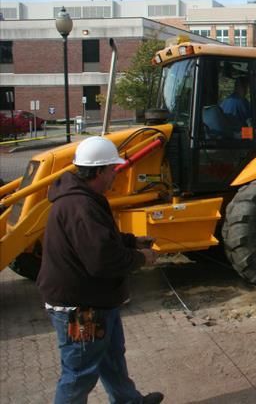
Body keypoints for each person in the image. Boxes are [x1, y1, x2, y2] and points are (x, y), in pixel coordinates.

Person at [37, 136, 163, 404]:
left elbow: (100, 240)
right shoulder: (80, 205)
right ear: (98, 171)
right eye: (111, 170)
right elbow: (102, 260)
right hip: (82, 309)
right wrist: (142, 258)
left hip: (99, 303)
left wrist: (131, 241)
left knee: (112, 359)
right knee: (79, 375)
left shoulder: (87, 198)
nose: (115, 176)